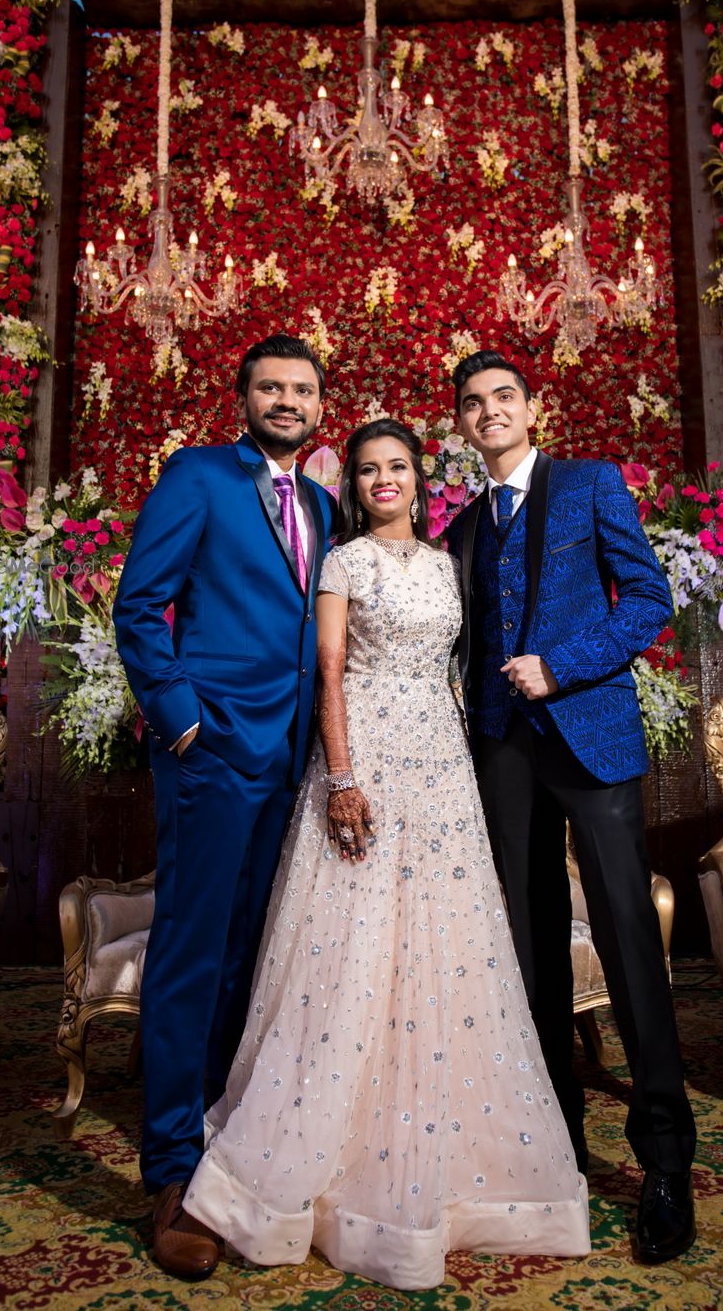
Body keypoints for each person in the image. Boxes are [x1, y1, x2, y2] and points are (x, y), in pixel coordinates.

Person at [181, 418, 590, 1291]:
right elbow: (328, 671)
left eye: (397, 466)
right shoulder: (344, 562)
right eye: (367, 470)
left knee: (444, 946)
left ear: (418, 475)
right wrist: (340, 777)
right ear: (355, 485)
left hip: (439, 762)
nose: (383, 480)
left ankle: (451, 1162)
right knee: (350, 942)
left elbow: (462, 665)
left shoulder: (449, 564)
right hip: (363, 745)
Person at [445, 350, 697, 1264]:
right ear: (462, 425)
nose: (489, 413)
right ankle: (561, 1152)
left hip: (590, 736)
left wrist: (562, 665)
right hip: (502, 756)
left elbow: (650, 603)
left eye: (502, 397)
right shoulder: (464, 529)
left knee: (630, 940)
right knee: (529, 950)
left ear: (530, 406)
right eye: (472, 405)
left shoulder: (591, 484)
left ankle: (666, 1161)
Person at [112, 334, 337, 1279]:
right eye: (271, 387)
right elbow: (139, 603)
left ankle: (225, 1151)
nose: (287, 401)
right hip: (211, 755)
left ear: (322, 404)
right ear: (243, 397)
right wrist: (180, 722)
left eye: (302, 389)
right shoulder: (199, 477)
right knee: (192, 955)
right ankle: (169, 1171)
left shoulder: (328, 503)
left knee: (253, 957)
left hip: (293, 763)